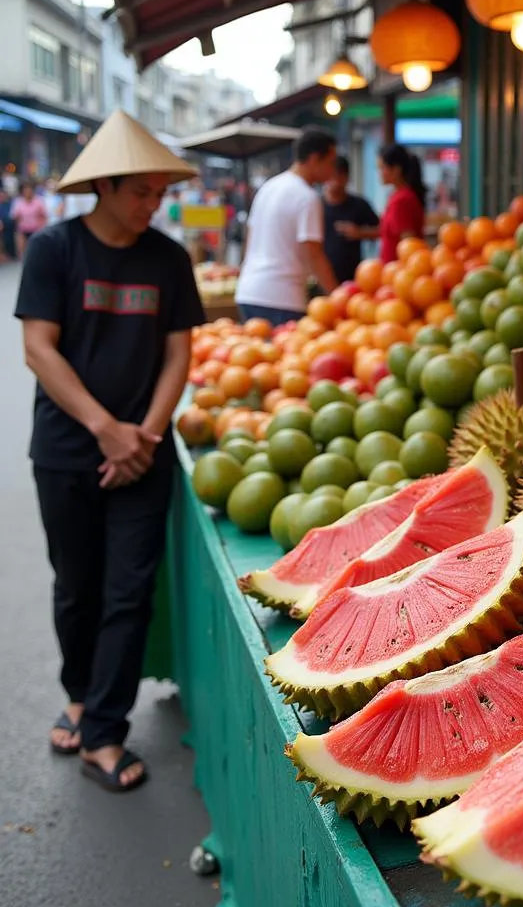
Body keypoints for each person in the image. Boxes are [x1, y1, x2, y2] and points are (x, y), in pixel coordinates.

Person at [14, 109, 205, 793]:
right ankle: (79, 691)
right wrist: (105, 428)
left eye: (160, 194)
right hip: (69, 449)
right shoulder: (55, 250)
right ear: (106, 187)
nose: (153, 206)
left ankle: (102, 732)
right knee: (76, 587)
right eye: (141, 193)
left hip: (142, 455)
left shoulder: (169, 258)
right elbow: (39, 347)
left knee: (127, 594)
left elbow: (179, 352)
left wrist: (144, 436)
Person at [234, 127, 339, 324]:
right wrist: (338, 298)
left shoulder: (268, 187)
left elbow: (250, 239)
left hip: (248, 292)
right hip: (282, 299)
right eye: (331, 162)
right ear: (315, 158)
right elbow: (313, 255)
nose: (333, 170)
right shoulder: (307, 197)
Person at [322, 154, 379, 283]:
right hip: (322, 277)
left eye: (340, 176)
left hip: (353, 276)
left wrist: (360, 233)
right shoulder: (316, 206)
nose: (335, 182)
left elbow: (381, 230)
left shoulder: (359, 205)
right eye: (332, 176)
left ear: (347, 178)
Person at [372, 144, 426, 263]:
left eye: (382, 168)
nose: (380, 173)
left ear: (396, 170)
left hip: (398, 274)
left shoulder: (402, 200)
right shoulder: (398, 197)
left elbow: (408, 243)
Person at [11, 181, 48, 259]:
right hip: (23, 230)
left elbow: (44, 215)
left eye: (29, 189)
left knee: (37, 250)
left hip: (36, 230)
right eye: (25, 190)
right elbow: (15, 217)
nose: (28, 192)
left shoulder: (38, 201)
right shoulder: (18, 202)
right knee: (24, 252)